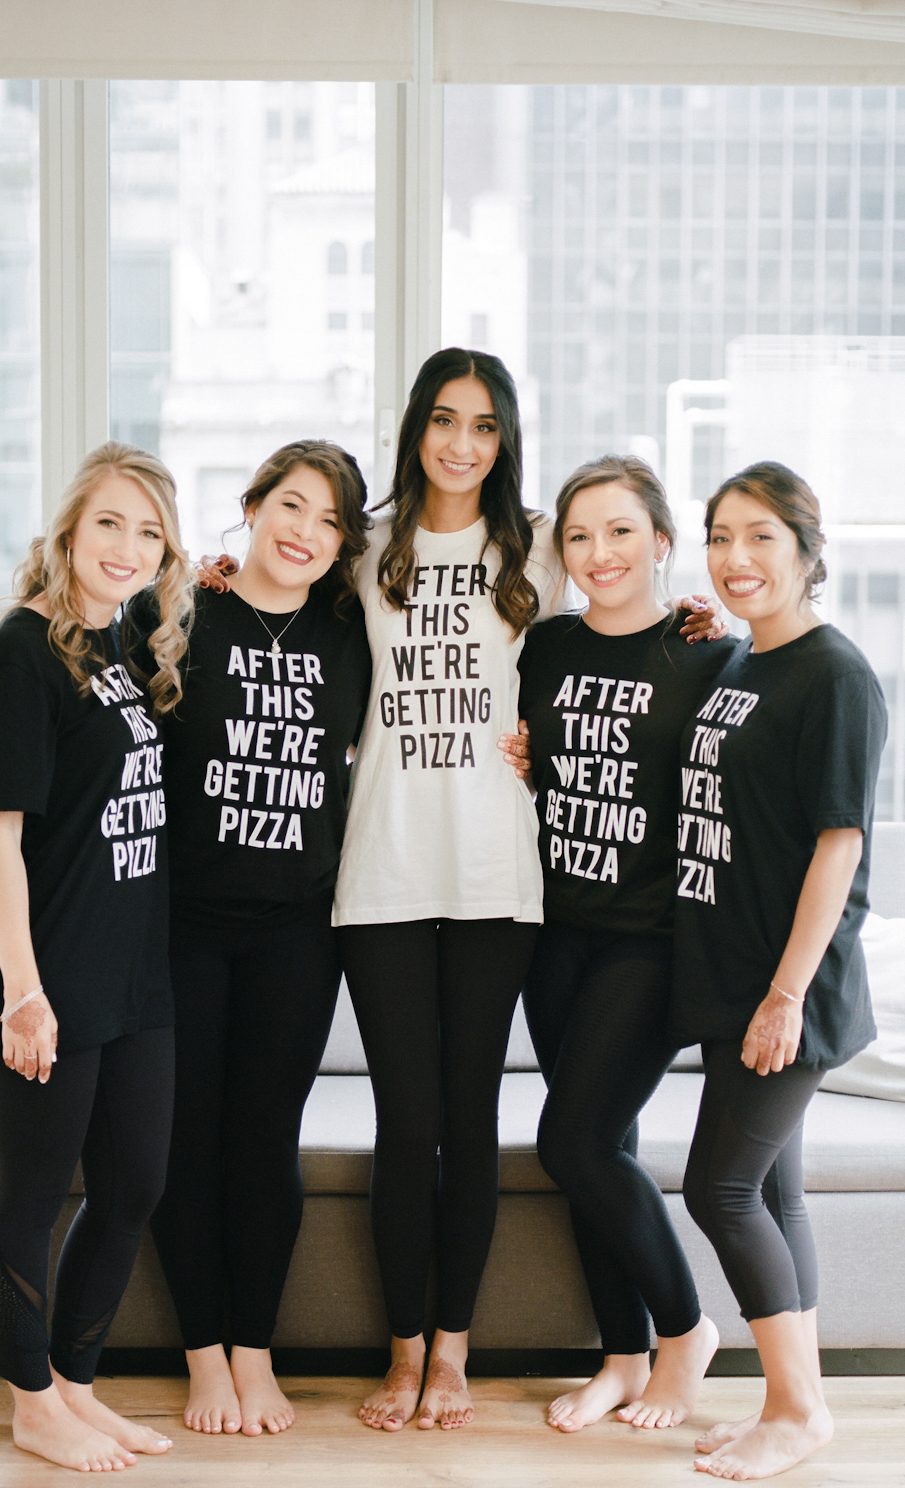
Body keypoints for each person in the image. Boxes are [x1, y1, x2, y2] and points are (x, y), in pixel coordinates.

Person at [333, 348, 720, 1431]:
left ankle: (452, 1354)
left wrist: (693, 618)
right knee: (405, 1126)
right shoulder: (366, 548)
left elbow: (620, 587)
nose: (463, 443)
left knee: (471, 1116)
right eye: (446, 420)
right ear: (416, 427)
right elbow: (271, 568)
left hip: (503, 879)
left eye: (487, 426)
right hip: (385, 871)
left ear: (506, 440)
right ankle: (403, 1350)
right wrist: (216, 576)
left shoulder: (541, 545)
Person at [0, 441, 193, 1472]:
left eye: (150, 532)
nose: (128, 547)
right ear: (67, 528)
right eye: (110, 523)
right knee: (31, 1196)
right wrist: (23, 993)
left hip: (133, 975)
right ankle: (30, 1402)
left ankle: (76, 1385)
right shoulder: (20, 654)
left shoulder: (123, 644)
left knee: (134, 1183)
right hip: (44, 982)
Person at [137, 441, 374, 1438]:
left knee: (265, 1140)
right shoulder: (183, 612)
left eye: (328, 521)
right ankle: (203, 1357)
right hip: (184, 927)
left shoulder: (356, 631)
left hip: (295, 932)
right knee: (187, 1140)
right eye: (290, 505)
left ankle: (254, 1351)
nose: (304, 532)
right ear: (250, 506)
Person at [672, 461, 887, 1481]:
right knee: (773, 1189)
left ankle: (797, 1411)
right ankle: (793, 1403)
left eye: (760, 536)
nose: (736, 557)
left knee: (720, 1186)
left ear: (808, 548)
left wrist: (786, 992)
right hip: (735, 972)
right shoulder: (739, 663)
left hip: (786, 985)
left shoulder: (835, 675)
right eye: (719, 536)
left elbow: (837, 847)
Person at [518, 456, 730, 1434]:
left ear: (660, 540)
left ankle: (686, 1329)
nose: (599, 553)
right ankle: (622, 1355)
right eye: (579, 536)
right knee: (600, 1147)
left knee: (571, 1138)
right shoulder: (547, 647)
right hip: (557, 931)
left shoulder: (705, 655)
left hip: (650, 940)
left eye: (619, 531)